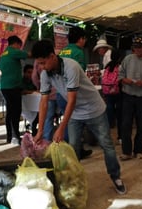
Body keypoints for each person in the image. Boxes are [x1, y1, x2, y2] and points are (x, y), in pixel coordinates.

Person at [31, 39, 126, 195]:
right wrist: (40, 130)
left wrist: (61, 128)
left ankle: (116, 177)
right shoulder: (45, 74)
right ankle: (73, 181)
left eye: (42, 63)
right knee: (73, 148)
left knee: (107, 144)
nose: (41, 67)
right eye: (38, 64)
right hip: (75, 113)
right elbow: (43, 102)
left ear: (52, 56)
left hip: (94, 110)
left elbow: (72, 99)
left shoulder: (71, 67)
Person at [59, 26, 92, 159]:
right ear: (81, 39)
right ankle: (72, 152)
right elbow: (79, 74)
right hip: (72, 93)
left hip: (61, 92)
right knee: (74, 124)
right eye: (84, 39)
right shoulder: (79, 52)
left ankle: (76, 149)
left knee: (66, 121)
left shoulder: (63, 51)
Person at [0, 35, 29, 145]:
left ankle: (9, 136)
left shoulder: (3, 54)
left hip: (4, 86)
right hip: (13, 87)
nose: (19, 48)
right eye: (19, 46)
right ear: (16, 44)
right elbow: (29, 55)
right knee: (15, 112)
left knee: (10, 112)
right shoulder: (13, 51)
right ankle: (16, 137)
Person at [101, 49, 122, 141]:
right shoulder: (120, 67)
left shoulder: (107, 67)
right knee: (120, 115)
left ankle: (108, 136)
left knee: (109, 112)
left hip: (107, 92)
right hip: (118, 92)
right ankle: (120, 136)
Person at [21, 64, 39, 136]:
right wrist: (32, 92)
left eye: (32, 72)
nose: (30, 74)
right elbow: (22, 91)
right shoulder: (21, 81)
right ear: (24, 73)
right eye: (28, 72)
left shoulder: (34, 81)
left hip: (35, 103)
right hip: (26, 104)